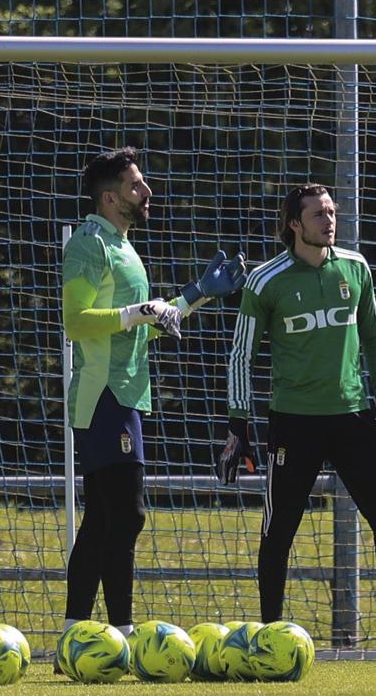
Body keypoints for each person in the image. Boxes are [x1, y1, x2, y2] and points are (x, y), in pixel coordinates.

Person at [220, 183, 376, 663]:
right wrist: (240, 424)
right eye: (318, 214)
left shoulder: (355, 268)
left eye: (332, 212)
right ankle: (269, 638)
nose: (329, 220)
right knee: (280, 528)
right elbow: (241, 354)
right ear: (295, 224)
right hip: (294, 424)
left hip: (353, 417)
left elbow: (375, 337)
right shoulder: (265, 280)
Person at [61, 147, 246, 660]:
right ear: (110, 196)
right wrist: (141, 309)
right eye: (136, 184)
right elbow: (76, 322)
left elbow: (141, 331)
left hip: (125, 395)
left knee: (107, 516)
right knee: (125, 513)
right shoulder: (89, 242)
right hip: (104, 396)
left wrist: (195, 295)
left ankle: (81, 635)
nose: (147, 192)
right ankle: (118, 630)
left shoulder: (123, 247)